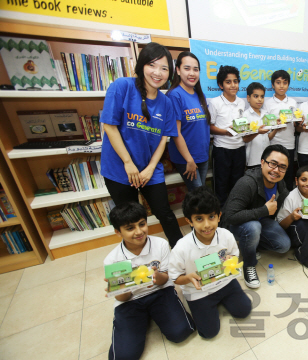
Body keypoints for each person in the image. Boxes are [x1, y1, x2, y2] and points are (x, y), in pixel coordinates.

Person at [100, 42, 182, 247]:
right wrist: (128, 163)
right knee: (130, 219)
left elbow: (163, 138)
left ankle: (181, 251)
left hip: (149, 168)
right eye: (152, 65)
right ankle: (140, 257)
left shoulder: (167, 102)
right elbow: (109, 126)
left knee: (165, 213)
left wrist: (150, 168)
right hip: (120, 168)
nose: (158, 72)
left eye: (164, 68)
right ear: (142, 65)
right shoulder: (122, 86)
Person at [104, 202, 195, 359]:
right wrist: (121, 289)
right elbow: (122, 298)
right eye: (130, 228)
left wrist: (157, 276)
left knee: (181, 332)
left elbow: (165, 279)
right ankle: (140, 319)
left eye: (142, 224)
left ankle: (154, 314)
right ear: (118, 232)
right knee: (124, 356)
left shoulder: (160, 244)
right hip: (131, 301)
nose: (139, 232)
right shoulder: (112, 260)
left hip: (159, 292)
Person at [168, 187, 252, 339]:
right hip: (199, 291)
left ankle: (223, 299)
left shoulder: (226, 235)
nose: (207, 225)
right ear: (189, 221)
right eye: (199, 219)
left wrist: (230, 261)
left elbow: (233, 255)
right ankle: (207, 305)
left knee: (244, 310)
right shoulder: (181, 248)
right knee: (209, 333)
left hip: (224, 282)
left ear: (219, 216)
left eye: (211, 217)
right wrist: (187, 278)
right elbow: (175, 277)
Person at [222, 145, 291, 288]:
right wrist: (264, 211)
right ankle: (249, 264)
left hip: (262, 221)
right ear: (262, 162)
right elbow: (230, 216)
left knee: (284, 245)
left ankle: (251, 243)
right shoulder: (247, 183)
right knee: (253, 227)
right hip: (237, 225)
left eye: (282, 167)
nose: (276, 170)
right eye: (273, 164)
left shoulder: (280, 184)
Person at [167, 51, 211, 192]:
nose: (192, 73)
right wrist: (189, 160)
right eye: (187, 68)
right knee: (198, 195)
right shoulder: (175, 95)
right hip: (187, 158)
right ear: (178, 70)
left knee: (200, 193)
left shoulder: (200, 94)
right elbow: (176, 132)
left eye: (195, 69)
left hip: (202, 155)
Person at [209, 65, 246, 206]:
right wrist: (225, 132)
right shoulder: (215, 103)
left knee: (237, 184)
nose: (233, 85)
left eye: (235, 81)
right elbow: (210, 127)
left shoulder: (242, 102)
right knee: (221, 185)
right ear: (221, 85)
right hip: (222, 150)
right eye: (228, 82)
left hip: (240, 149)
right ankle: (222, 217)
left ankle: (235, 213)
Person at [262, 70, 298, 190]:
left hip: (290, 145)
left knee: (287, 177)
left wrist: (300, 122)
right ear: (273, 85)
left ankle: (286, 201)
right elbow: (266, 125)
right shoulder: (268, 104)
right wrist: (277, 125)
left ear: (288, 84)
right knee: (273, 176)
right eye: (278, 82)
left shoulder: (293, 102)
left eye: (285, 82)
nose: (281, 86)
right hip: (274, 145)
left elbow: (296, 124)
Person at [243, 82, 278, 169]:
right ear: (248, 98)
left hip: (267, 159)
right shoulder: (245, 115)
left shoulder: (266, 114)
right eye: (256, 96)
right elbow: (245, 139)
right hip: (252, 160)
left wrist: (277, 128)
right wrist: (257, 132)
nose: (260, 99)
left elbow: (268, 137)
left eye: (262, 96)